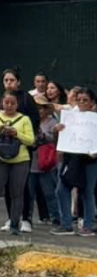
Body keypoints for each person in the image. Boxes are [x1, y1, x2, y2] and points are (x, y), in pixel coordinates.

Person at [0, 70, 40, 232]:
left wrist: (18, 130)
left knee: (22, 185)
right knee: (7, 185)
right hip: (4, 149)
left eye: (12, 80)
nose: (9, 82)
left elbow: (34, 121)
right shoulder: (1, 99)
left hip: (22, 149)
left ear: (18, 82)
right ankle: (12, 218)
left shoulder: (27, 99)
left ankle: (25, 219)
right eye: (6, 80)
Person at [0, 91, 34, 235]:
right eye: (6, 103)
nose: (9, 106)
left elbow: (30, 140)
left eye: (12, 103)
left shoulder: (24, 119)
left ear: (17, 104)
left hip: (20, 160)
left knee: (17, 193)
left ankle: (15, 224)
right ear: (2, 103)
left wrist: (16, 133)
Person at [52, 88, 97, 236]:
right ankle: (66, 225)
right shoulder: (70, 117)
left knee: (87, 192)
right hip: (71, 159)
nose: (82, 103)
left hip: (89, 162)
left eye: (85, 100)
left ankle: (88, 226)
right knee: (61, 189)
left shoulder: (94, 119)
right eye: (79, 100)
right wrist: (57, 130)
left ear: (92, 103)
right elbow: (61, 137)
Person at [30, 95, 60, 227]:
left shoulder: (51, 122)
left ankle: (56, 216)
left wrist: (42, 134)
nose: (39, 111)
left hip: (46, 162)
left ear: (46, 109)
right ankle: (27, 217)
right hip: (31, 162)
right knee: (29, 193)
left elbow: (53, 139)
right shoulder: (28, 120)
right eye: (36, 108)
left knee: (49, 192)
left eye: (41, 108)